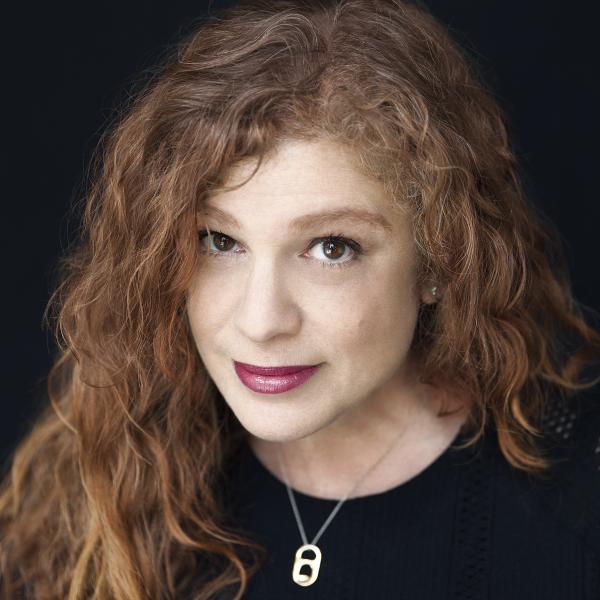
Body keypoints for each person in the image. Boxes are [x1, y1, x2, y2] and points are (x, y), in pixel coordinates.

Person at [1, 0, 599, 598]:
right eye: (219, 240)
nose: (261, 322)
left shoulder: (575, 510)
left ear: (438, 259)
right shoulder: (112, 463)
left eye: (331, 248)